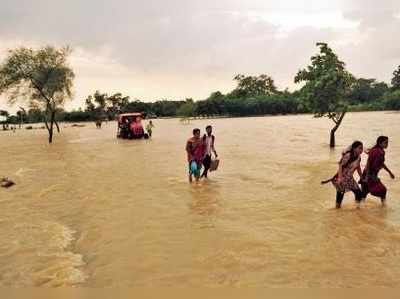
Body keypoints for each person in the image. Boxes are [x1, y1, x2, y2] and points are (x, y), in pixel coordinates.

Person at [322, 141, 364, 209]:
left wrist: (362, 177)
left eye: (362, 148)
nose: (361, 150)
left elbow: (358, 168)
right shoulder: (348, 155)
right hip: (342, 178)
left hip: (350, 178)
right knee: (340, 195)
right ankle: (337, 211)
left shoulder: (359, 157)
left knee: (359, 193)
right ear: (354, 148)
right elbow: (340, 165)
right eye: (359, 148)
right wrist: (340, 178)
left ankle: (357, 209)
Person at [361, 136, 395, 205]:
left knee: (364, 194)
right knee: (383, 190)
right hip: (369, 175)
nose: (387, 144)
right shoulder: (376, 151)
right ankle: (383, 208)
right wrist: (367, 177)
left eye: (387, 143)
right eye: (385, 143)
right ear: (380, 143)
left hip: (370, 174)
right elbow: (368, 164)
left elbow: (381, 163)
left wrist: (389, 172)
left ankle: (359, 210)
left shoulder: (381, 151)